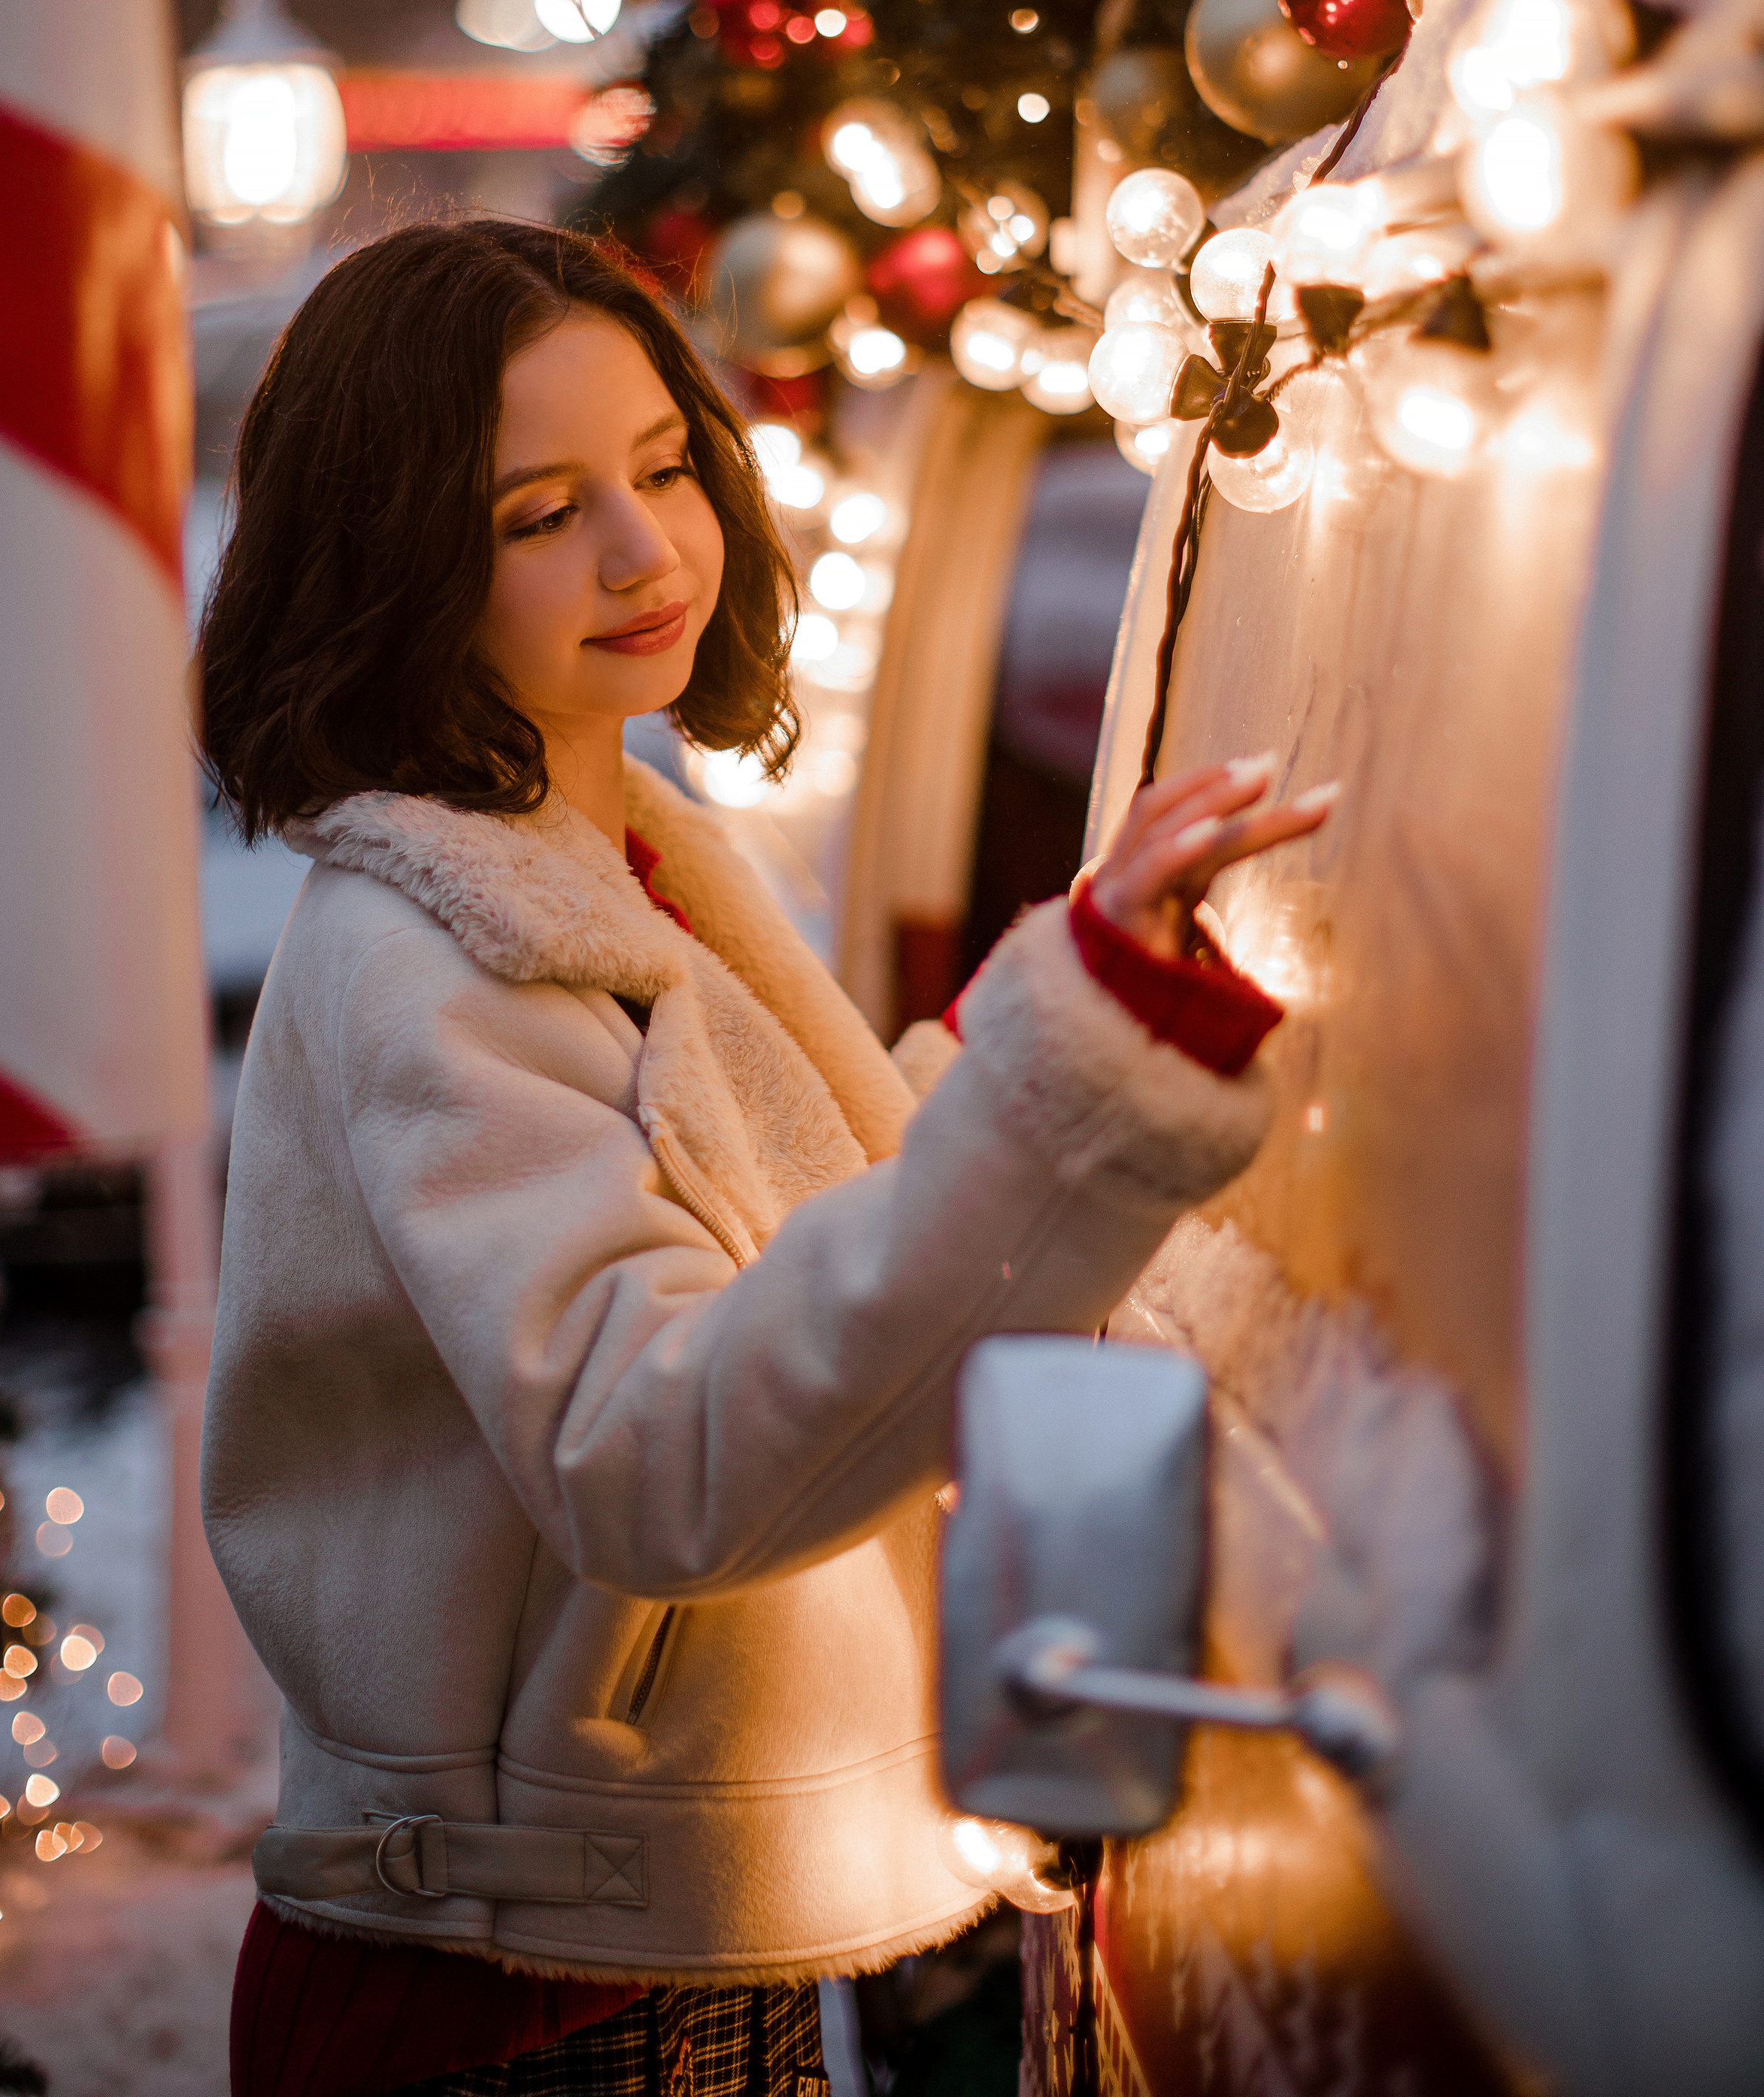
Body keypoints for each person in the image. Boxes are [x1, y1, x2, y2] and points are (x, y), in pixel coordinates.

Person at [196, 220, 1332, 2097]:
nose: (644, 553)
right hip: (513, 1999)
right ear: (394, 559)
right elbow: (654, 1452)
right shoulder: (431, 949)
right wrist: (1071, 1070)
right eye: (536, 512)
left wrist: (1032, 1018)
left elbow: (773, 1201)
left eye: (658, 468)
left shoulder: (606, 832)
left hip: (630, 1935)